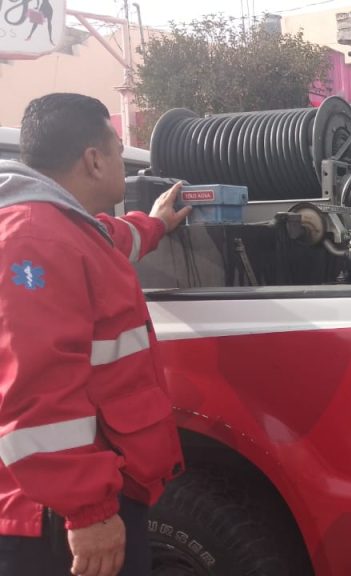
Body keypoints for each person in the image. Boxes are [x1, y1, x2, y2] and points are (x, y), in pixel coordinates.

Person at [0, 93, 191, 576]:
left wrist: (155, 223)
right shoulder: (33, 240)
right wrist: (89, 513)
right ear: (93, 160)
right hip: (54, 517)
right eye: (118, 150)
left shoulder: (64, 229)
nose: (123, 163)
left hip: (70, 497)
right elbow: (36, 395)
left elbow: (111, 239)